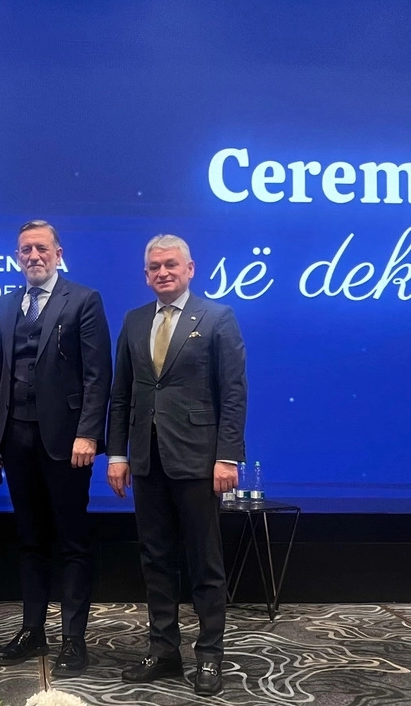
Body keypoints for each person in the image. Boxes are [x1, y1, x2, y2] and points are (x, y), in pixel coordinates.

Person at [106, 234, 246, 697]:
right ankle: (164, 649)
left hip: (199, 460)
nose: (162, 272)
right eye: (154, 267)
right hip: (146, 460)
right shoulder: (133, 320)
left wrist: (227, 456)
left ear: (190, 269)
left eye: (171, 264)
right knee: (156, 559)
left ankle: (209, 655)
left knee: (205, 561)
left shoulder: (218, 317)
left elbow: (233, 393)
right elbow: (121, 394)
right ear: (146, 274)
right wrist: (118, 454)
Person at [0, 220, 112, 676]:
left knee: (73, 541)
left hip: (67, 441)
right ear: (17, 257)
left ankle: (73, 639)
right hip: (16, 437)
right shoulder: (7, 303)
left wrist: (88, 433)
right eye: (25, 250)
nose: (33, 256)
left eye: (41, 248)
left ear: (58, 253)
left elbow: (97, 374)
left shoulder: (84, 300)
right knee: (30, 539)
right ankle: (32, 630)